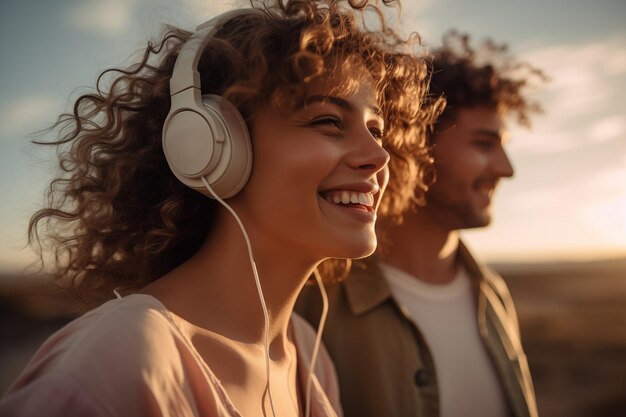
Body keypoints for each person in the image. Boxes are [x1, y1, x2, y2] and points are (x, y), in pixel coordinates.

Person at [0, 1, 439, 416]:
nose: (380, 158)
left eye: (377, 130)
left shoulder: (308, 355)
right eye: (328, 121)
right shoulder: (120, 358)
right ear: (211, 145)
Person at [297, 31, 546, 417]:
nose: (506, 168)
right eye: (483, 144)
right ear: (416, 145)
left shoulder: (493, 294)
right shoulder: (314, 302)